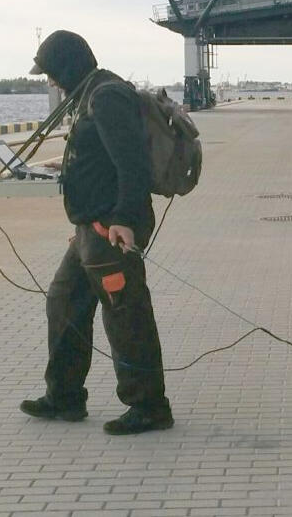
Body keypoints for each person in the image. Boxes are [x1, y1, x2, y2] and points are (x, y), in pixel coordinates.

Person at [19, 29, 173, 435]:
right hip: (91, 228)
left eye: (51, 72)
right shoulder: (90, 92)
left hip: (111, 228)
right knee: (63, 301)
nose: (51, 81)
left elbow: (133, 164)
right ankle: (64, 396)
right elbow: (102, 154)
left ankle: (149, 405)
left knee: (125, 315)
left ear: (68, 65)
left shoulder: (106, 97)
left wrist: (124, 219)